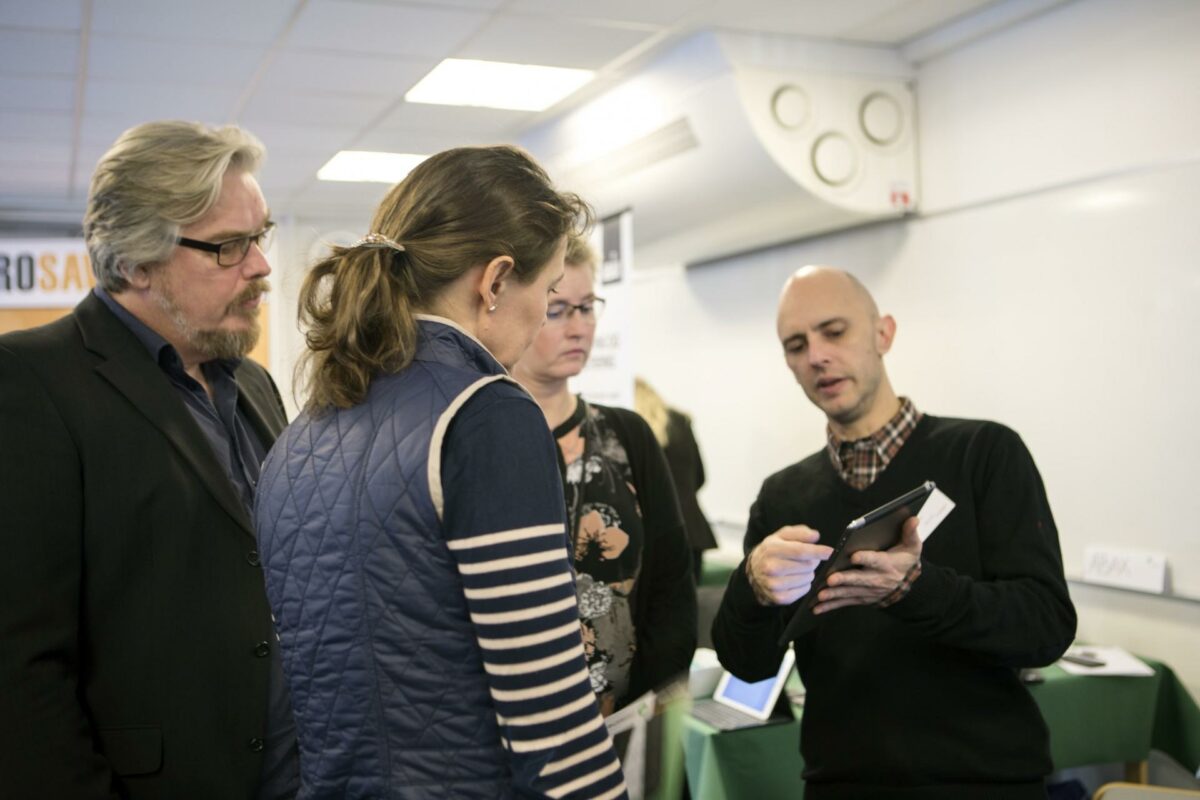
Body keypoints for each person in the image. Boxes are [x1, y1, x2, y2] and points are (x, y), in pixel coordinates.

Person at [253, 146, 627, 799]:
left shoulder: (300, 437)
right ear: (496, 280)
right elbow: (550, 719)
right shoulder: (486, 416)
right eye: (545, 294)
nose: (544, 316)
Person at [0, 121, 297, 799]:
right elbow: (19, 672)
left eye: (261, 235)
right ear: (136, 262)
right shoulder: (30, 384)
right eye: (229, 247)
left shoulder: (250, 382)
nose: (261, 267)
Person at [711, 266, 1076, 799]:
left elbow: (1046, 626)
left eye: (834, 332)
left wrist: (914, 590)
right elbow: (747, 664)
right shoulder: (783, 496)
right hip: (843, 783)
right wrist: (753, 586)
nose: (816, 356)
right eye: (796, 345)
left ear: (884, 333)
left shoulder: (984, 454)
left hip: (984, 781)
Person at [512, 236, 696, 716]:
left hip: (628, 720)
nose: (579, 328)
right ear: (520, 310)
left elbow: (672, 587)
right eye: (557, 310)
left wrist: (646, 705)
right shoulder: (487, 442)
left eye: (587, 307)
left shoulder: (626, 434)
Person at [635, 377, 719, 581]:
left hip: (649, 534)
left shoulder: (629, 431)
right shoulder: (681, 422)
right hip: (691, 531)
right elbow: (699, 477)